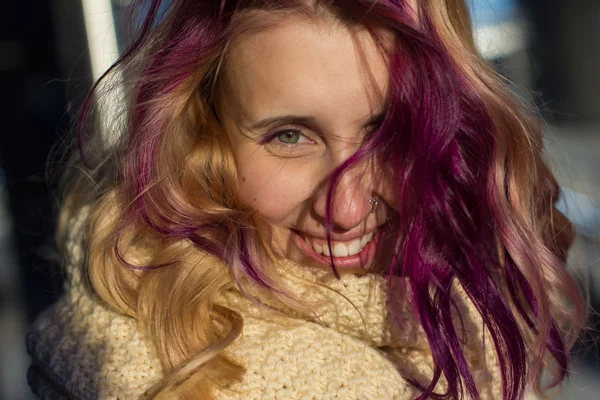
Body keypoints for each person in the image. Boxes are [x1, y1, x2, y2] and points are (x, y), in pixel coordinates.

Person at [27, 0, 586, 399]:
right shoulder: (138, 366)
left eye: (389, 134)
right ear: (201, 140)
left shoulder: (473, 316)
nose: (345, 208)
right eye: (289, 136)